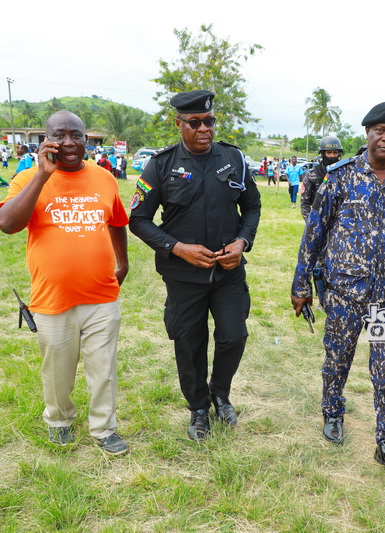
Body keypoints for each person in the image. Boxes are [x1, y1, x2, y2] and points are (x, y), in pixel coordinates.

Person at [291, 101, 385, 482]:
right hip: (344, 290)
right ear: (367, 133)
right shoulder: (341, 176)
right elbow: (314, 232)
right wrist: (302, 284)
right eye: (380, 130)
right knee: (338, 357)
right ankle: (333, 409)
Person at [129, 90, 261, 442]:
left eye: (209, 121)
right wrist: (177, 248)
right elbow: (139, 219)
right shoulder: (161, 165)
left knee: (234, 335)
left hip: (228, 272)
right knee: (189, 342)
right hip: (183, 275)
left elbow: (252, 207)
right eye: (195, 122)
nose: (204, 128)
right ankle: (198, 408)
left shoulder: (234, 159)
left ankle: (220, 394)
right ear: (179, 124)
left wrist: (241, 242)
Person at [0, 110, 130, 456]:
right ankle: (59, 420)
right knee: (57, 368)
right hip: (52, 297)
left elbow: (117, 221)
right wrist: (42, 177)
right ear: (46, 140)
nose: (68, 143)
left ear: (87, 140)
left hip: (101, 294)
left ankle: (104, 428)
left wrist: (123, 262)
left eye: (77, 135)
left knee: (103, 368)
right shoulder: (27, 178)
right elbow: (8, 224)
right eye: (59, 135)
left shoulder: (105, 178)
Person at [300, 136, 343, 220]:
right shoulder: (312, 174)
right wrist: (312, 224)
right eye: (329, 153)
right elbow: (305, 204)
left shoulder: (345, 174)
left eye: (335, 152)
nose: (332, 156)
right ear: (323, 154)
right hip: (319, 218)